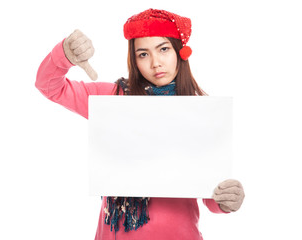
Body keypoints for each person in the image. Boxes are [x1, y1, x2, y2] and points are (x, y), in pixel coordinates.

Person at [35, 8, 245, 240]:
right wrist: (63, 55)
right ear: (134, 60)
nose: (156, 63)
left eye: (163, 49)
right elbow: (50, 86)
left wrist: (226, 199)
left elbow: (209, 194)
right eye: (143, 54)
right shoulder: (112, 99)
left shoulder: (200, 112)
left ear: (179, 52)